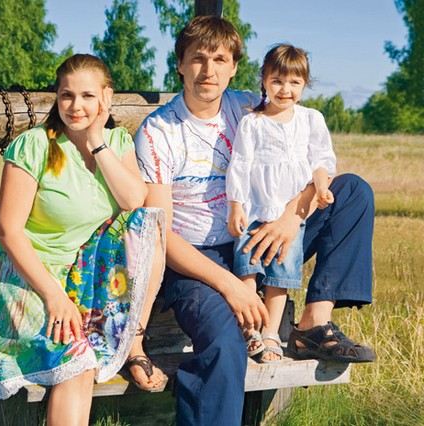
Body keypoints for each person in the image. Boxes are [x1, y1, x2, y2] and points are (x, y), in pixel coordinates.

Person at [134, 15, 375, 425]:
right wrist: (230, 285)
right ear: (180, 64)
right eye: (198, 59)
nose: (208, 70)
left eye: (219, 59)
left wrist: (290, 218)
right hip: (197, 258)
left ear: (233, 67)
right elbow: (159, 236)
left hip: (264, 233)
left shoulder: (249, 107)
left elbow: (312, 160)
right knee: (225, 343)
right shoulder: (159, 132)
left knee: (352, 191)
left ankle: (312, 324)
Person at [0, 54, 167, 426]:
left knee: (147, 222)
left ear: (106, 98)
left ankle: (131, 340)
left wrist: (96, 141)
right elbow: (8, 231)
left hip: (79, 274)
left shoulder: (116, 141)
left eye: (88, 96)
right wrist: (54, 296)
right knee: (77, 361)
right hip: (21, 273)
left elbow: (133, 200)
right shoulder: (34, 145)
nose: (76, 106)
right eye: (67, 95)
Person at [227, 44, 337, 363]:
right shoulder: (253, 122)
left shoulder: (310, 119)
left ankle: (271, 332)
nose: (285, 89)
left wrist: (321, 186)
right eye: (277, 81)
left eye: (294, 82)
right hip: (254, 209)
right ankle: (250, 330)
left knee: (280, 274)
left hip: (289, 213)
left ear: (304, 84)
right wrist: (236, 205)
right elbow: (240, 164)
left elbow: (321, 160)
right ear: (263, 80)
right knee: (247, 267)